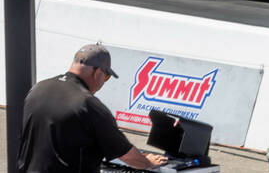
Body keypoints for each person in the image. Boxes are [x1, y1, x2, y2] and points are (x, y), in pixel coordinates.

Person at [17, 43, 168, 172]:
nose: (104, 82)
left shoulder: (38, 89)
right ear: (97, 72)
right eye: (106, 76)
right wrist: (148, 163)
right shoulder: (88, 104)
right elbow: (127, 155)